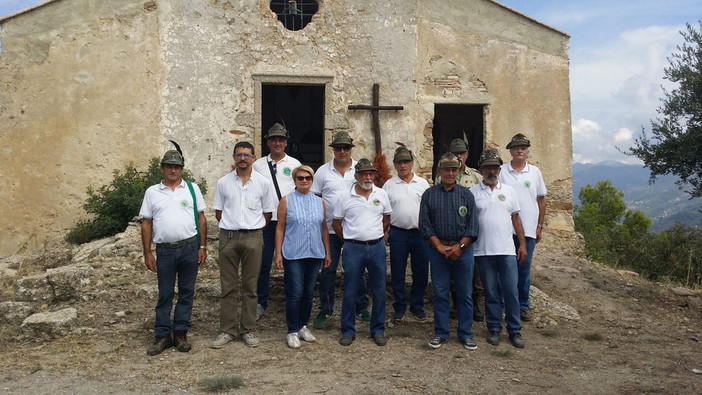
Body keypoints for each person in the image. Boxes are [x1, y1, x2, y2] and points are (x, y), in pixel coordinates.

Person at [139, 145, 207, 356]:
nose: (172, 170)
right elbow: (146, 223)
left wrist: (203, 246)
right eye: (168, 166)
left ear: (182, 169)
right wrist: (147, 252)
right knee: (165, 293)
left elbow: (202, 218)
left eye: (176, 167)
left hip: (189, 247)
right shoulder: (152, 192)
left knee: (187, 292)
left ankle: (180, 333)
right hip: (165, 250)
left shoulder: (192, 189)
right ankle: (162, 335)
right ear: (162, 168)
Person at [211, 141, 277, 349]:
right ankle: (228, 330)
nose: (242, 158)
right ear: (234, 157)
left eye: (247, 155)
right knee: (228, 286)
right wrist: (233, 226)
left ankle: (248, 329)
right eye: (239, 155)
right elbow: (218, 212)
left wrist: (252, 229)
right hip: (228, 237)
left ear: (253, 158)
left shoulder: (263, 183)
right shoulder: (223, 183)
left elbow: (267, 214)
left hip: (253, 237)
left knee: (251, 286)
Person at [419, 153, 479, 350]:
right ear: (439, 171)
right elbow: (425, 225)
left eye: (454, 169)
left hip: (463, 251)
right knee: (440, 293)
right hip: (438, 252)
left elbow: (473, 226)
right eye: (446, 169)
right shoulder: (429, 195)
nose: (450, 173)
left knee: (465, 293)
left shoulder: (466, 195)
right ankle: (441, 333)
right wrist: (439, 247)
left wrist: (459, 247)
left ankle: (466, 334)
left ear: (458, 171)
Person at [310, 131, 370, 329]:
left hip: (354, 230)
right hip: (330, 231)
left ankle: (361, 307)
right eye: (338, 148)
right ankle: (326, 309)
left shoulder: (360, 170)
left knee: (358, 271)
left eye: (346, 147)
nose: (342, 151)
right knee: (328, 271)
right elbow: (315, 199)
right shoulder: (323, 172)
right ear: (333, 150)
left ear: (351, 149)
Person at [470, 149, 527, 348]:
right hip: (483, 251)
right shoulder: (473, 193)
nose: (492, 171)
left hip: (507, 250)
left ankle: (514, 330)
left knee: (511, 291)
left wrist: (522, 244)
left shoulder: (509, 191)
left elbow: (516, 219)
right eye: (487, 168)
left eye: (495, 167)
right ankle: (494, 328)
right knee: (491, 292)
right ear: (481, 170)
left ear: (499, 169)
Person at [332, 158, 392, 346]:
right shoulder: (344, 196)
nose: (368, 177)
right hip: (353, 248)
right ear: (356, 176)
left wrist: (376, 235)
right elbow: (336, 223)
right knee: (350, 289)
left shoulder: (381, 194)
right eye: (363, 173)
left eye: (370, 173)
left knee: (379, 290)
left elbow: (387, 218)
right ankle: (348, 330)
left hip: (376, 248)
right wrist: (351, 239)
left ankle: (378, 329)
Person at [274, 165, 332, 349]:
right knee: (295, 292)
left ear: (312, 180)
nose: (304, 181)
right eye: (300, 178)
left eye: (307, 178)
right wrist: (278, 252)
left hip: (314, 252)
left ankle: (302, 326)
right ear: (295, 180)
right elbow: (280, 227)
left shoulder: (320, 202)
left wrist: (327, 251)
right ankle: (291, 330)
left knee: (308, 293)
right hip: (294, 253)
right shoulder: (286, 201)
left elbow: (323, 228)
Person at [253, 123, 302, 321]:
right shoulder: (258, 166)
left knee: (291, 263)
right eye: (274, 139)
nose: (277, 143)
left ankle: (291, 300)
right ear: (268, 142)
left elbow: (300, 190)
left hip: (288, 222)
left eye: (281, 139)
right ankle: (260, 302)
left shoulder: (294, 164)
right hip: (265, 222)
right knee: (263, 264)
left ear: (286, 143)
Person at [498, 133, 547, 322]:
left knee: (524, 269)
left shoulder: (534, 172)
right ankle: (503, 305)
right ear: (510, 151)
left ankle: (522, 305)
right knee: (504, 269)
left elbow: (541, 200)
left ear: (527, 152)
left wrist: (540, 225)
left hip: (527, 229)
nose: (520, 150)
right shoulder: (501, 171)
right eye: (516, 147)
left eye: (523, 148)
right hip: (505, 230)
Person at [435, 138, 485, 322]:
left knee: (475, 271)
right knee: (455, 273)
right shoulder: (442, 177)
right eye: (455, 153)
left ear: (467, 154)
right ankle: (456, 303)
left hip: (472, 230)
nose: (459, 157)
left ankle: (476, 303)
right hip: (452, 229)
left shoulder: (476, 176)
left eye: (462, 153)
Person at [382, 145, 431, 322]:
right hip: (398, 233)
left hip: (420, 234)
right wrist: (385, 231)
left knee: (421, 272)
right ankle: (399, 306)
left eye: (406, 162)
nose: (403, 166)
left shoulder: (423, 184)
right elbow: (384, 211)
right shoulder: (389, 185)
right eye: (399, 163)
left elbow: (428, 209)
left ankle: (417, 305)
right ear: (395, 165)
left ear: (412, 164)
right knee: (397, 272)